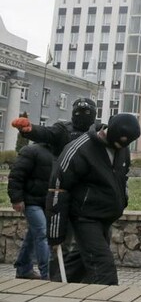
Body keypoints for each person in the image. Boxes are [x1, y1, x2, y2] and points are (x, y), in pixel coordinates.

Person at [47, 113, 140, 285]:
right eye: (120, 142)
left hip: (106, 216)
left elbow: (122, 177)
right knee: (102, 266)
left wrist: (122, 201)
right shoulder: (79, 149)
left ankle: (53, 289)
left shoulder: (122, 150)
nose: (123, 147)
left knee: (81, 262)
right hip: (84, 217)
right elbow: (57, 190)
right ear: (110, 132)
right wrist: (55, 233)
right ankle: (107, 295)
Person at [11, 97, 98, 282]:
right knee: (59, 242)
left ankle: (82, 278)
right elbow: (46, 132)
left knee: (90, 243)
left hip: (86, 198)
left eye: (87, 113)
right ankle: (53, 279)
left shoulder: (96, 133)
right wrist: (30, 129)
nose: (82, 116)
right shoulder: (62, 131)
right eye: (79, 112)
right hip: (61, 197)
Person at [7, 143, 55, 280]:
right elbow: (16, 175)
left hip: (46, 202)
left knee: (33, 235)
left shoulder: (58, 152)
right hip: (30, 202)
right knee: (42, 233)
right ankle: (47, 275)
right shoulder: (31, 151)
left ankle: (23, 268)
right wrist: (16, 199)